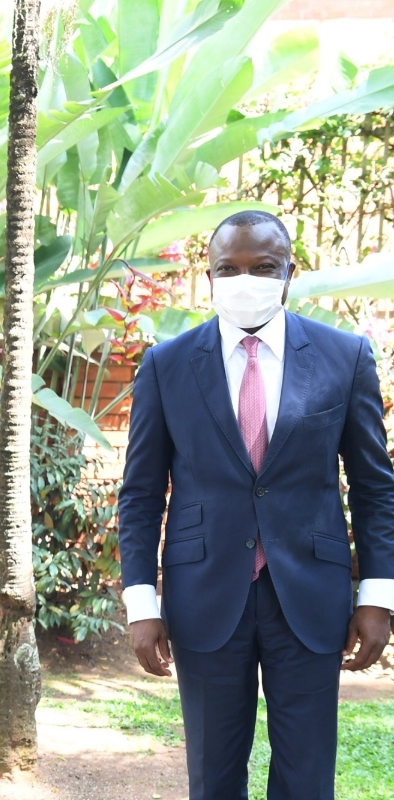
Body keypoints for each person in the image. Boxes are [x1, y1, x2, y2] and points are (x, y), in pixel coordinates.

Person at [119, 210, 394, 799]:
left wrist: (377, 596)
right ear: (210, 276)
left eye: (263, 267)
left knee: (307, 777)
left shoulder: (344, 357)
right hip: (204, 594)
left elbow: (375, 488)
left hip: (311, 596)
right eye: (229, 268)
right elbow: (141, 494)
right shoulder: (166, 366)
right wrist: (141, 602)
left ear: (290, 272)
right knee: (214, 777)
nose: (246, 279)